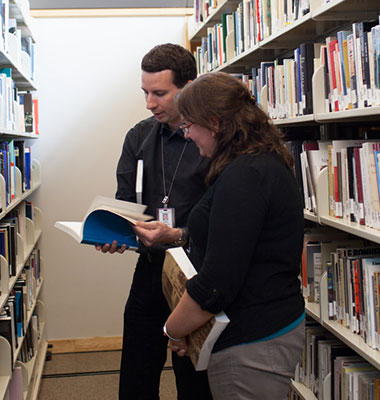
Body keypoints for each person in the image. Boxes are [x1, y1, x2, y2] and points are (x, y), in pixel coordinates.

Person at [134, 72, 305, 399]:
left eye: (189, 126)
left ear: (214, 124)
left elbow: (216, 284)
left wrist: (173, 329)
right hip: (261, 327)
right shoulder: (255, 161)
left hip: (252, 337)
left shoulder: (245, 178)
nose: (187, 136)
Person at [96, 44, 212, 400]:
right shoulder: (139, 137)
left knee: (192, 379)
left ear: (189, 87)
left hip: (196, 274)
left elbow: (223, 219)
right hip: (150, 270)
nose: (149, 103)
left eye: (159, 93)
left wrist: (180, 234)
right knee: (136, 376)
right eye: (145, 92)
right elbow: (126, 203)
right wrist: (116, 232)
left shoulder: (212, 140)